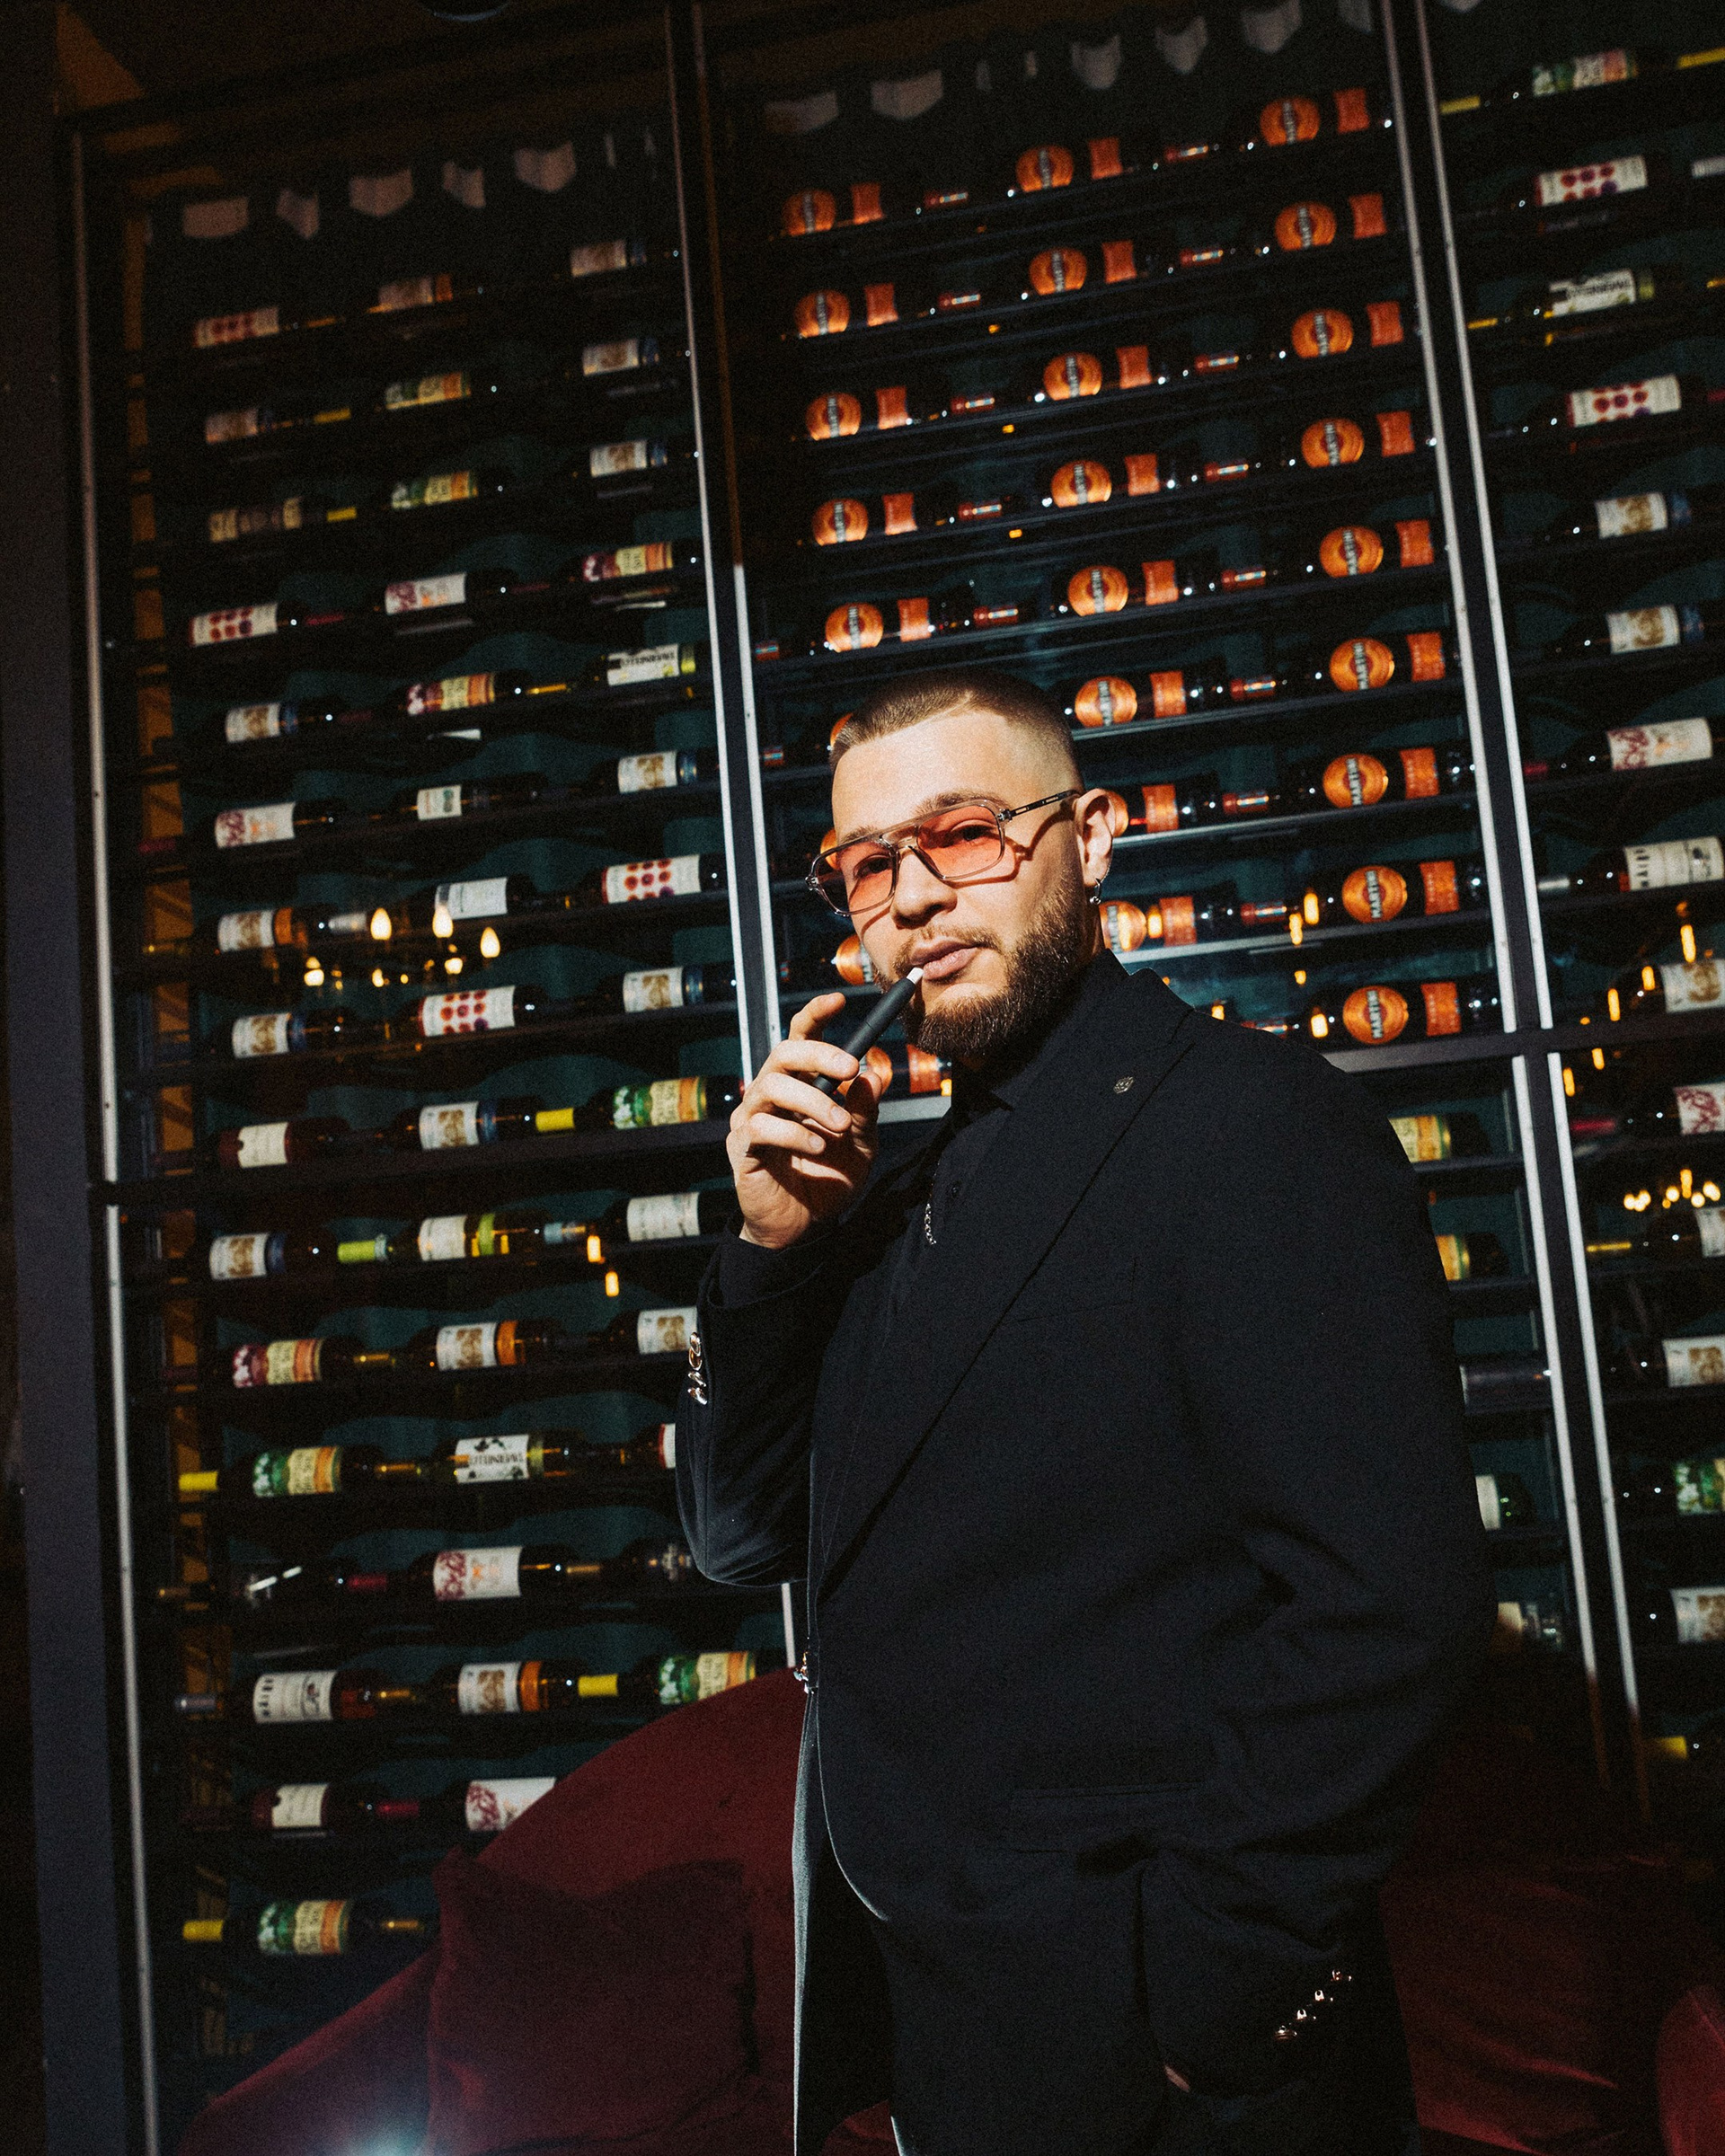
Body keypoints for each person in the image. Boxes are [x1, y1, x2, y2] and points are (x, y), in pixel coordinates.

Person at [674, 667, 1495, 2156]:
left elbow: (1390, 1604)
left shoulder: (1251, 1125)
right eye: (868, 864)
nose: (915, 897)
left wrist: (1216, 1982)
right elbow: (741, 1542)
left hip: (1168, 2058)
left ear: (1093, 837)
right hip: (947, 2029)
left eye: (965, 833)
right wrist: (768, 1253)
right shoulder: (884, 1199)